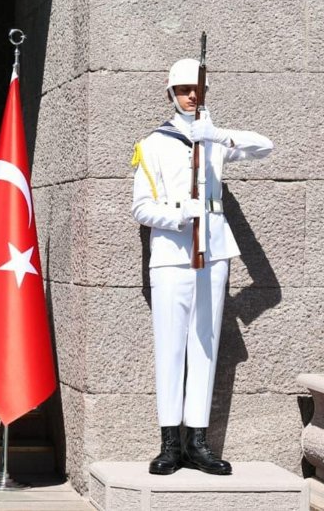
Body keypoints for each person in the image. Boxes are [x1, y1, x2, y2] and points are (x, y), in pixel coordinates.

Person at [131, 58, 272, 476]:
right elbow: (140, 208)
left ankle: (198, 441)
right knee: (171, 348)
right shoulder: (152, 144)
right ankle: (170, 444)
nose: (193, 95)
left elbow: (265, 146)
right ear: (171, 92)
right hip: (173, 255)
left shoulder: (211, 139)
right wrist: (179, 212)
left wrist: (216, 134)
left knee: (205, 346)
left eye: (199, 89)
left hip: (212, 253)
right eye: (185, 89)